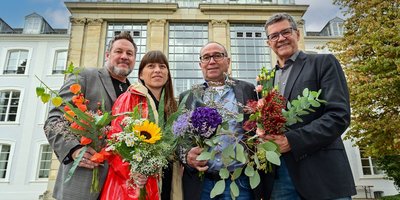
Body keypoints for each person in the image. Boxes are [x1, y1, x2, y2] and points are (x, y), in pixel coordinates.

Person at [262, 13, 356, 199]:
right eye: (274, 36)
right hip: (280, 177)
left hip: (322, 174)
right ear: (269, 43)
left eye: (286, 32)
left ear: (297, 34)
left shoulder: (323, 63)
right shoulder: (265, 81)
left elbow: (338, 116)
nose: (281, 38)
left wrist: (292, 141)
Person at [43, 31, 137, 200]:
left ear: (134, 60)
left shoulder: (134, 92)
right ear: (107, 55)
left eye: (129, 53)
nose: (124, 56)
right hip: (84, 183)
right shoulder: (85, 76)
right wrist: (74, 149)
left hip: (120, 187)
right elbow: (54, 120)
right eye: (119, 51)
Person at [179, 42, 259, 200]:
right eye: (206, 57)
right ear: (200, 64)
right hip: (202, 184)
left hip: (241, 183)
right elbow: (179, 139)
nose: (212, 61)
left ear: (228, 61)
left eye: (217, 56)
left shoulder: (248, 90)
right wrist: (186, 155)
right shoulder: (188, 97)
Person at [100, 50, 178, 200]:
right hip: (133, 185)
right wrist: (132, 171)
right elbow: (114, 142)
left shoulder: (172, 106)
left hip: (166, 182)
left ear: (167, 75)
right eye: (151, 66)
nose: (157, 70)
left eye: (162, 66)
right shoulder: (129, 98)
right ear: (141, 74)